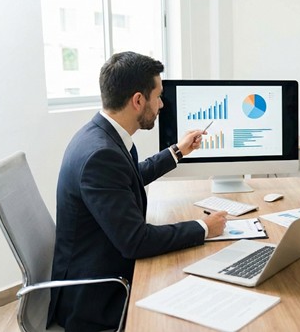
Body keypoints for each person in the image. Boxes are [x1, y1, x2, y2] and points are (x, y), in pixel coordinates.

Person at [47, 51, 228, 331]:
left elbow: (128, 177)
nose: (162, 105)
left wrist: (178, 151)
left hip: (101, 264)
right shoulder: (100, 155)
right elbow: (136, 242)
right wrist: (203, 227)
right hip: (95, 297)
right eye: (158, 96)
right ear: (138, 100)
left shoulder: (104, 135)